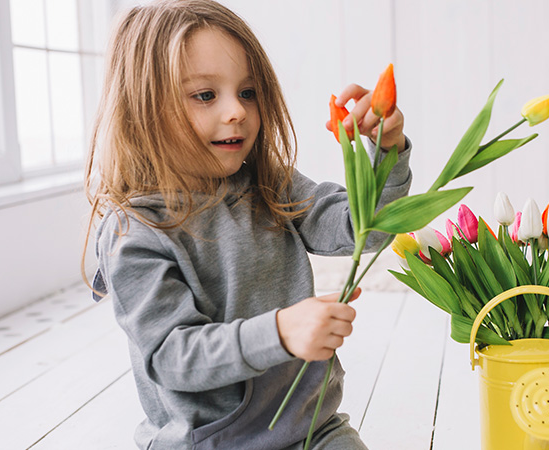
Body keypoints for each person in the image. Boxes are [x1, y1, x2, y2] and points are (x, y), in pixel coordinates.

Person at [83, 1, 411, 449]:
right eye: (205, 95)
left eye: (248, 92)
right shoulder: (135, 229)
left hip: (312, 427)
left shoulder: (269, 182)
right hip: (213, 442)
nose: (236, 110)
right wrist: (280, 332)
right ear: (142, 109)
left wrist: (384, 152)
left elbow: (365, 230)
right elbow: (173, 357)